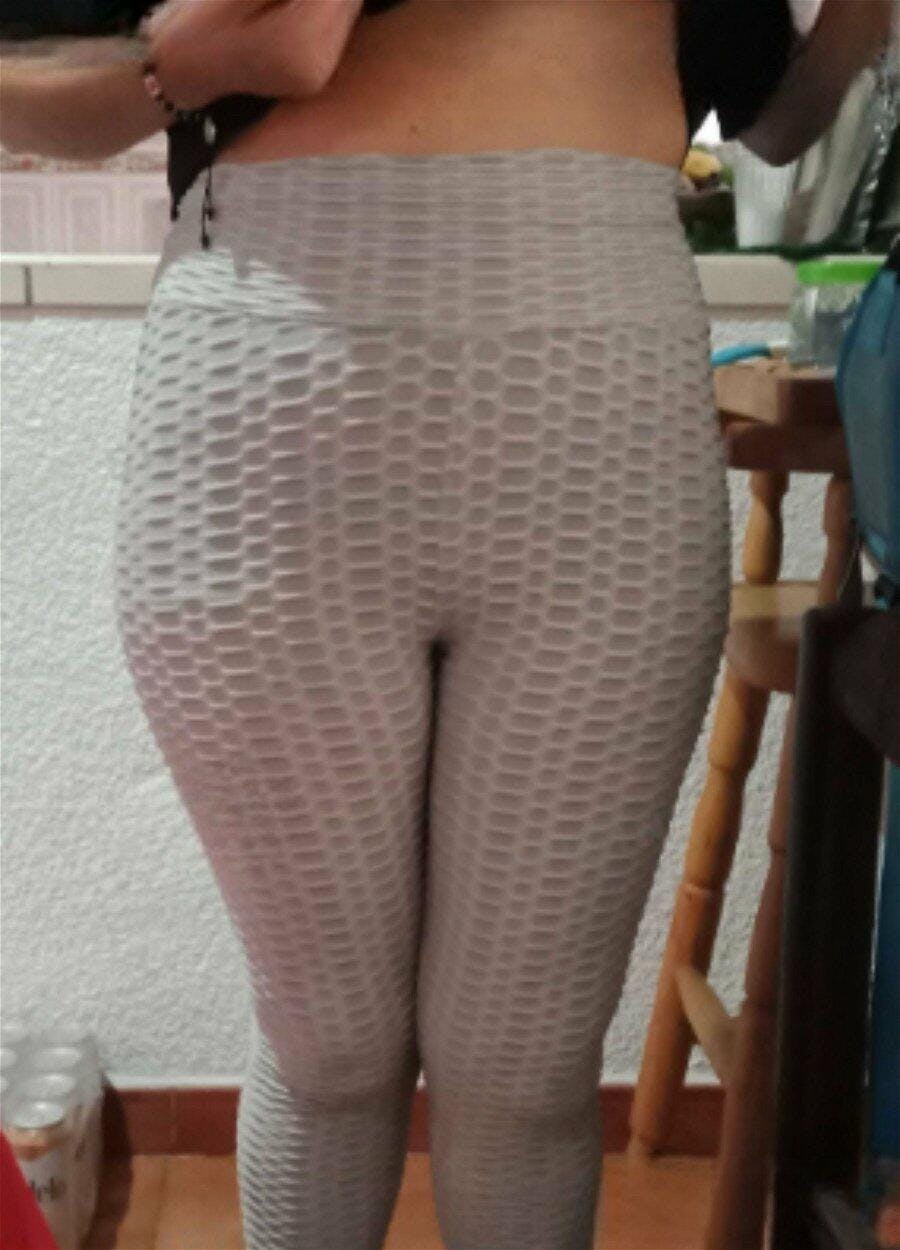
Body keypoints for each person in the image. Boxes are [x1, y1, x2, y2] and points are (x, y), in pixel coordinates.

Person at [1, 3, 892, 1247]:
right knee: (328, 1045)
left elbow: (775, 115)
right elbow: (26, 81)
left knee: (523, 1062)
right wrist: (196, 63)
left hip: (604, 397)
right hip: (264, 402)